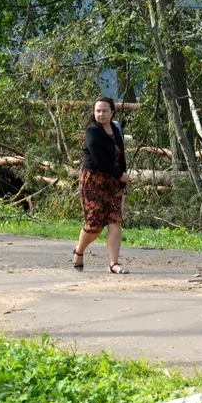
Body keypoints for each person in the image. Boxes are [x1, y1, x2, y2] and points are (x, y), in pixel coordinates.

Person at [73, 96, 131, 274]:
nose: (101, 113)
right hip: (94, 180)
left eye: (105, 110)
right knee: (95, 224)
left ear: (112, 112)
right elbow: (100, 160)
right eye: (98, 110)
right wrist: (121, 175)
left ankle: (113, 263)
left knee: (116, 220)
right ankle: (79, 250)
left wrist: (122, 180)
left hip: (114, 182)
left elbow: (120, 156)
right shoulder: (92, 131)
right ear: (94, 112)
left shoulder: (116, 128)